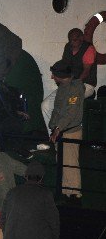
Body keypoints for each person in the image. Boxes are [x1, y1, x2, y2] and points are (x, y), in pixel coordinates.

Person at [41, 29, 98, 133]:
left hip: (86, 84)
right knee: (45, 105)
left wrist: (73, 87)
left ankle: (68, 132)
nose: (72, 42)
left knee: (67, 102)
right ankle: (53, 136)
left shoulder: (89, 49)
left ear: (81, 38)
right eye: (70, 40)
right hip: (69, 84)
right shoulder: (68, 47)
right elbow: (65, 66)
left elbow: (86, 71)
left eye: (75, 40)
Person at [48, 60, 84, 204]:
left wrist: (57, 128)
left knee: (70, 164)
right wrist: (54, 127)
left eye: (54, 75)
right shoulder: (63, 87)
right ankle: (65, 191)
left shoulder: (75, 89)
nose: (52, 77)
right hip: (61, 131)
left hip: (70, 132)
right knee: (62, 163)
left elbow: (70, 113)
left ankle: (75, 194)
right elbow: (58, 111)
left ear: (60, 75)